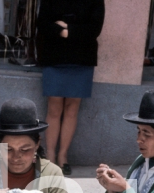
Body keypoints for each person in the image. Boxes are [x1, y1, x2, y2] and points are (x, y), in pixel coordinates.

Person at [37, 0, 105, 176]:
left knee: (72, 108)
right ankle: (50, 156)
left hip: (82, 58)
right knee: (54, 107)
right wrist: (73, 30)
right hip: (54, 56)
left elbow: (93, 30)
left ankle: (63, 156)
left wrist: (65, 30)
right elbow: (43, 24)